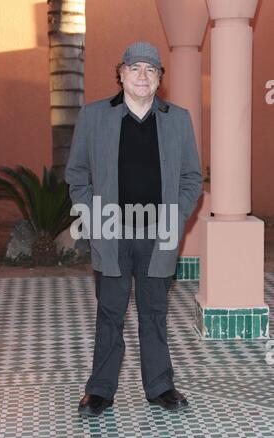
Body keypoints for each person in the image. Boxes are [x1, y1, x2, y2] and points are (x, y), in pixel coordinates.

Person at [65, 42, 203, 417]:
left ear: (160, 79)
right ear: (121, 73)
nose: (143, 76)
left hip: (160, 235)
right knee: (110, 311)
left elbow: (192, 176)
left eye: (151, 70)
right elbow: (77, 174)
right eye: (136, 68)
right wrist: (92, 215)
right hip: (110, 233)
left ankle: (160, 386)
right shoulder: (95, 116)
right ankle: (100, 391)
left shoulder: (178, 119)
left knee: (154, 311)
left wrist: (178, 215)